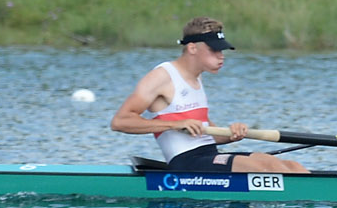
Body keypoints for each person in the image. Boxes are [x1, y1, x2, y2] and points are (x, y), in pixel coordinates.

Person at [109, 18, 307, 174]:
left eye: (222, 50)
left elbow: (206, 135)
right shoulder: (162, 76)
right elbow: (120, 121)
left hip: (208, 156)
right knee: (265, 168)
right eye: (214, 50)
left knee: (289, 166)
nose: (221, 56)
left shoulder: (197, 79)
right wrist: (174, 124)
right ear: (192, 48)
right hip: (186, 163)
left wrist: (231, 134)